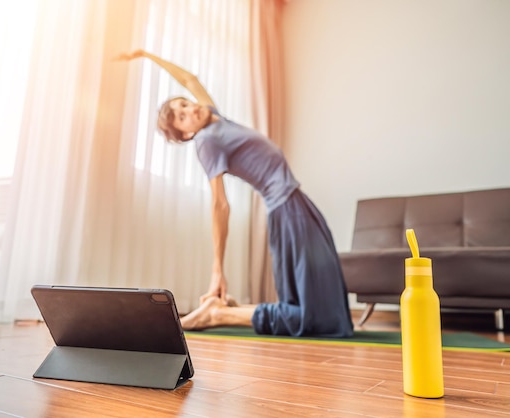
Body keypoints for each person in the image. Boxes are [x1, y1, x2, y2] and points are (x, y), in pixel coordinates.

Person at [118, 50, 353, 337]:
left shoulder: (214, 117)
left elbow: (189, 79)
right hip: (286, 209)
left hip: (296, 203)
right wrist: (217, 268)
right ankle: (220, 313)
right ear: (186, 135)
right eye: (182, 116)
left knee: (332, 315)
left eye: (185, 104)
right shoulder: (206, 141)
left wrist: (145, 54)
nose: (191, 109)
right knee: (318, 321)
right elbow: (220, 206)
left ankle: (229, 308)